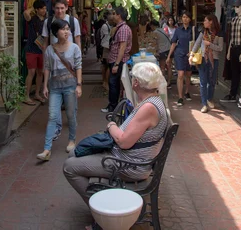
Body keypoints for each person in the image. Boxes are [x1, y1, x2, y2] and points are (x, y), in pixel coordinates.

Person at [64, 62, 168, 214]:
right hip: (129, 158)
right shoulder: (152, 100)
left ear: (136, 83)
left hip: (129, 165)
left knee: (69, 167)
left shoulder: (148, 107)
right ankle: (102, 206)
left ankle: (103, 212)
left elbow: (124, 142)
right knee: (76, 153)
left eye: (133, 77)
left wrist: (111, 126)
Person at [37, 19, 83, 161]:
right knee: (52, 116)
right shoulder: (50, 49)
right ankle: (47, 149)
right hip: (54, 88)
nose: (67, 32)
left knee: (70, 115)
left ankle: (71, 140)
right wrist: (45, 85)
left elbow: (78, 66)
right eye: (63, 29)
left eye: (68, 29)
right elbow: (47, 68)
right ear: (56, 32)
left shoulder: (75, 48)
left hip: (70, 86)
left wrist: (79, 85)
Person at [42, 0, 82, 139]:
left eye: (62, 8)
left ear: (66, 8)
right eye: (57, 8)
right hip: (54, 63)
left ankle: (72, 121)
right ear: (53, 8)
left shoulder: (73, 21)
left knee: (71, 100)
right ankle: (56, 128)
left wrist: (79, 61)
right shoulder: (48, 22)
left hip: (69, 65)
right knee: (55, 97)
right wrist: (45, 62)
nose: (59, 10)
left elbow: (77, 40)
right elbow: (45, 42)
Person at [189, 14, 223, 113]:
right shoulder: (203, 32)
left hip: (214, 60)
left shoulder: (219, 34)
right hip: (203, 59)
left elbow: (220, 48)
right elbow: (197, 44)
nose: (204, 22)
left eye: (205, 20)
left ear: (211, 21)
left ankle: (209, 99)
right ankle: (204, 104)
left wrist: (210, 45)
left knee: (211, 82)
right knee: (203, 82)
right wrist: (192, 54)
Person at [101, 6, 132, 113]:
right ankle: (114, 104)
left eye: (114, 14)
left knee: (113, 83)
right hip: (114, 60)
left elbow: (122, 47)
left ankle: (113, 106)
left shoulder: (123, 29)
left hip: (118, 60)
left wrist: (117, 64)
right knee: (114, 83)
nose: (112, 16)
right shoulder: (119, 27)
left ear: (119, 15)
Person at [166, 12, 197, 107]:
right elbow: (174, 43)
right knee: (180, 74)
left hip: (189, 55)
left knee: (188, 74)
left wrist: (192, 52)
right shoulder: (178, 30)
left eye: (187, 17)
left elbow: (197, 43)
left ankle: (187, 91)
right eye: (183, 17)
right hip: (179, 54)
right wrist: (169, 56)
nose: (185, 19)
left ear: (190, 19)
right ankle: (180, 97)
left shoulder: (193, 30)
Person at [22, 0, 47, 105]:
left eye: (45, 8)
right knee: (31, 72)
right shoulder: (32, 19)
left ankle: (37, 93)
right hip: (32, 49)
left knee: (40, 73)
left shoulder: (46, 20)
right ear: (37, 9)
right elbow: (25, 13)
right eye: (42, 8)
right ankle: (26, 96)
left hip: (42, 50)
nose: (44, 10)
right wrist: (33, 7)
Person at [149, 20, 172, 86]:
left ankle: (163, 83)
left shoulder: (155, 32)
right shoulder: (162, 30)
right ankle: (169, 81)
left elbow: (154, 43)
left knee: (162, 67)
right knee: (169, 67)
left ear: (152, 25)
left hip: (163, 50)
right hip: (169, 49)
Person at [98, 11, 112, 91]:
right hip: (106, 47)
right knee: (107, 66)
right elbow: (107, 38)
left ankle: (105, 81)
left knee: (106, 65)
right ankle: (105, 82)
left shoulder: (109, 25)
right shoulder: (105, 26)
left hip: (108, 47)